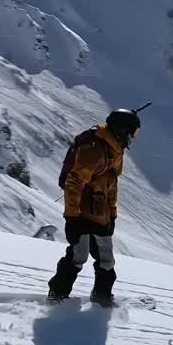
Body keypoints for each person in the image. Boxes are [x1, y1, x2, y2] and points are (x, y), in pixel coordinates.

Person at [47, 107, 143, 307]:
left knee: (105, 259)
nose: (133, 138)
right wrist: (72, 217)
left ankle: (101, 298)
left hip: (100, 215)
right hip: (82, 214)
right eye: (132, 133)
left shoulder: (114, 149)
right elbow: (74, 183)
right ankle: (57, 295)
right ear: (121, 130)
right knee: (79, 255)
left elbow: (111, 185)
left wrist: (113, 215)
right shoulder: (96, 149)